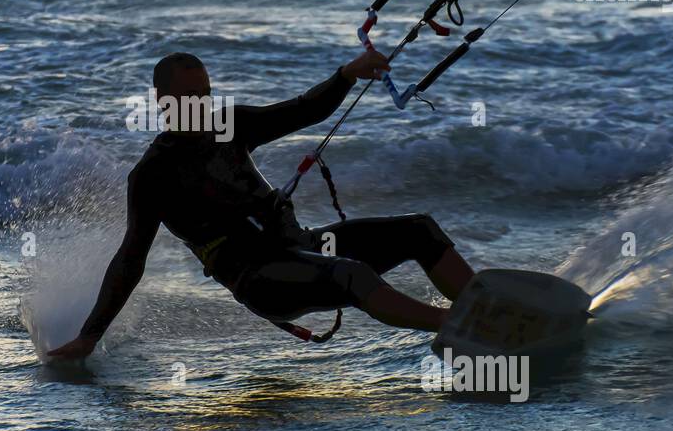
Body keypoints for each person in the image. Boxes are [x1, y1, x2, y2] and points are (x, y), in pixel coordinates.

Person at [49, 49, 477, 360]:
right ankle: (462, 328)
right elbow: (130, 259)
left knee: (417, 230)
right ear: (162, 101)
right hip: (261, 279)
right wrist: (89, 336)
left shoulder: (229, 124)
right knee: (352, 274)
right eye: (188, 96)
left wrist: (347, 73)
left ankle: (483, 306)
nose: (201, 104)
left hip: (303, 247)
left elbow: (302, 111)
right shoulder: (153, 176)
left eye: (206, 92)